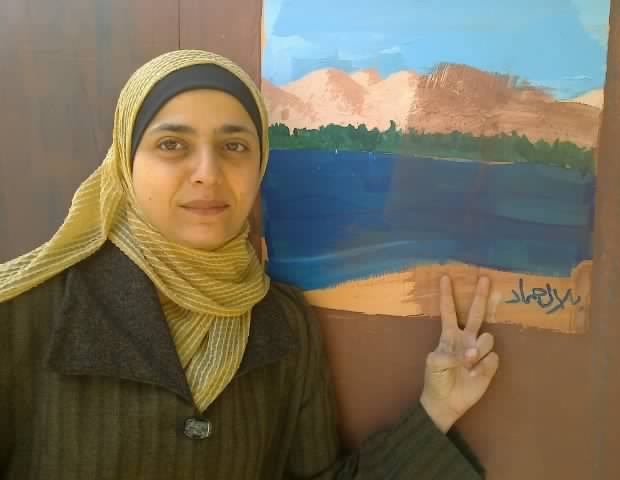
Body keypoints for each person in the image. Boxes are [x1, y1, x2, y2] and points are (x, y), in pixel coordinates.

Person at [0, 50, 498, 479]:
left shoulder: (283, 323)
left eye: (234, 146)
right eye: (172, 145)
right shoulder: (24, 315)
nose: (207, 173)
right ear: (125, 164)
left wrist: (436, 409)